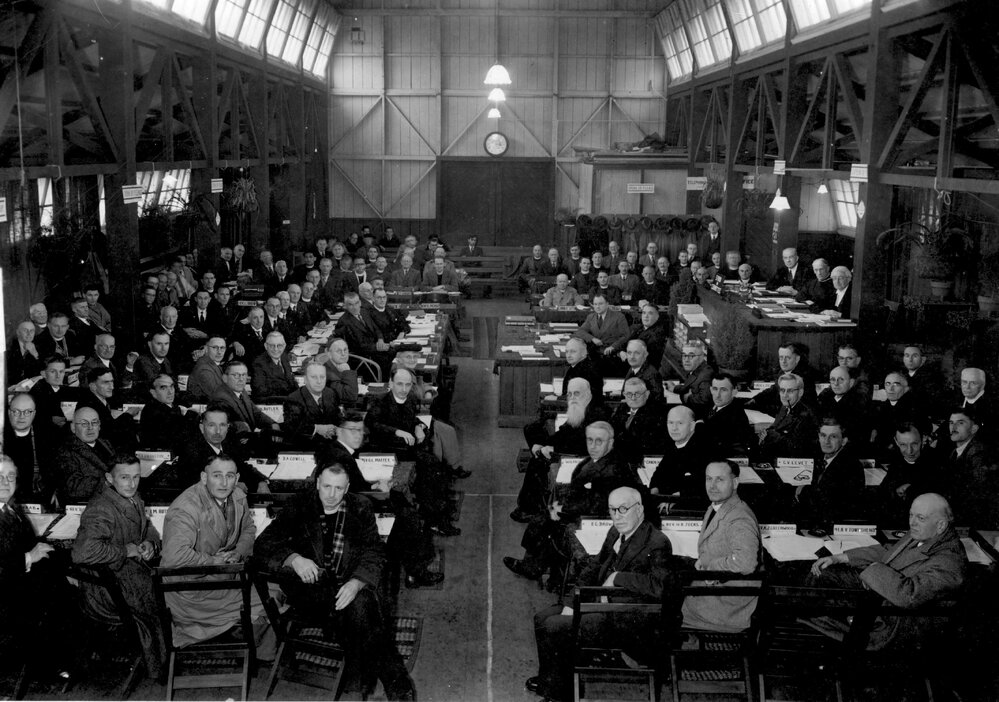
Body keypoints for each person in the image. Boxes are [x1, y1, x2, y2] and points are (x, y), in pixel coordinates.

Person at [252, 463, 416, 699]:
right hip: (310, 594)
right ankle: (396, 685)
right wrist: (294, 559)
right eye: (326, 486)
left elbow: (374, 552)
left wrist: (357, 582)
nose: (331, 494)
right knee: (366, 613)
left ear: (347, 488)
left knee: (361, 604)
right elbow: (264, 544)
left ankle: (361, 686)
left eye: (338, 489)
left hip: (346, 590)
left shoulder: (360, 507)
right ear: (317, 483)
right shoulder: (299, 505)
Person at [527, 486, 671, 702]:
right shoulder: (615, 532)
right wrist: (569, 602)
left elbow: (659, 586)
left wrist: (618, 577)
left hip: (628, 618)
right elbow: (594, 567)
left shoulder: (657, 542)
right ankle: (551, 679)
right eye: (612, 510)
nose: (617, 516)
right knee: (542, 618)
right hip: (601, 604)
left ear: (639, 509)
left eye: (623, 509)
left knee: (555, 626)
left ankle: (559, 696)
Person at [808, 493, 966, 649]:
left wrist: (875, 570)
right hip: (880, 594)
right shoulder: (926, 533)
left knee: (814, 613)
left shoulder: (950, 561)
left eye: (920, 518)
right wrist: (840, 558)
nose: (912, 523)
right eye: (911, 515)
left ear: (941, 525)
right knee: (824, 573)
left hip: (892, 620)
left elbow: (909, 595)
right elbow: (889, 550)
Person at [315, 412, 443, 588]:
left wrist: (374, 487)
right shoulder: (342, 456)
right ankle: (416, 571)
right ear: (338, 431)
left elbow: (353, 486)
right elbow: (353, 493)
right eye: (352, 430)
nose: (358, 435)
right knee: (407, 515)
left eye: (360, 430)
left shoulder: (336, 450)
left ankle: (414, 566)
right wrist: (381, 491)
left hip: (352, 502)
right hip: (351, 514)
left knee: (401, 502)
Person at [160, 455, 270, 649]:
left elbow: (248, 529)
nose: (224, 482)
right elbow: (174, 558)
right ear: (204, 477)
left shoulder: (237, 496)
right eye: (217, 475)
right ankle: (241, 648)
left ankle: (244, 643)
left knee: (272, 593)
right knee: (267, 602)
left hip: (223, 577)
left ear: (236, 479)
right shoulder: (186, 508)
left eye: (229, 476)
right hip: (192, 591)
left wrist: (238, 552)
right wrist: (212, 561)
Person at [72, 454, 166, 679]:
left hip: (127, 577)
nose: (132, 483)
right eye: (124, 477)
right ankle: (162, 663)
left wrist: (150, 543)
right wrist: (126, 550)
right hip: (109, 589)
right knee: (168, 594)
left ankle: (165, 655)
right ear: (109, 478)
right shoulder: (102, 508)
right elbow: (82, 552)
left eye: (136, 477)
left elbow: (148, 526)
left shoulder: (132, 497)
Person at [505, 422, 637, 582]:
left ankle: (535, 567)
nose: (593, 446)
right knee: (546, 516)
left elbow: (599, 504)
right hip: (586, 507)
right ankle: (535, 565)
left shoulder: (613, 469)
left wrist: (563, 507)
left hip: (599, 518)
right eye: (590, 440)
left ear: (610, 442)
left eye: (599, 441)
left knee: (547, 519)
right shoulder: (602, 458)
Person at [0, 456, 76, 682]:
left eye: (10, 476)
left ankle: (52, 666)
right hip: (4, 599)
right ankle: (49, 668)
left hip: (15, 587)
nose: (5, 482)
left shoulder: (11, 511)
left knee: (66, 592)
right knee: (61, 602)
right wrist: (28, 557)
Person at [676, 461, 760, 633]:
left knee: (663, 607)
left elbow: (745, 562)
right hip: (717, 586)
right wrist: (704, 561)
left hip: (728, 604)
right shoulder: (717, 507)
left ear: (735, 483)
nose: (712, 486)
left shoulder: (739, 518)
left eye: (720, 480)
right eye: (709, 479)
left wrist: (710, 566)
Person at [794, 417, 866, 528]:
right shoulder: (822, 456)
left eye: (833, 437)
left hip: (832, 526)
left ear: (844, 441)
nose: (826, 441)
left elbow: (827, 502)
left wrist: (803, 490)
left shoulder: (851, 466)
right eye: (823, 435)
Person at [941, 407, 999, 528]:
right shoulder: (955, 453)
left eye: (960, 423)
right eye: (951, 423)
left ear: (974, 428)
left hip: (976, 524)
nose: (953, 427)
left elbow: (978, 496)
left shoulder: (979, 454)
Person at [52, 406, 116, 505]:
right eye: (84, 423)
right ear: (73, 428)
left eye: (94, 422)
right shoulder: (66, 452)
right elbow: (74, 488)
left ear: (99, 425)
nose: (90, 427)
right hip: (89, 506)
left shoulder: (106, 443)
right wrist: (108, 481)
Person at [880, 422, 939, 527]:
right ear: (896, 442)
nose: (909, 451)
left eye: (914, 444)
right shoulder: (896, 461)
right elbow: (883, 493)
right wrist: (895, 491)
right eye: (903, 445)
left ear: (923, 439)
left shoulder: (937, 462)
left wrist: (912, 490)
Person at [649, 406, 712, 500]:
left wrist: (671, 499)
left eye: (680, 423)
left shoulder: (704, 450)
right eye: (670, 423)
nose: (674, 428)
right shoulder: (672, 446)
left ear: (692, 426)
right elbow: (657, 478)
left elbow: (700, 487)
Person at [3, 394, 55, 503]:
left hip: (40, 500)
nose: (22, 416)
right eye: (16, 411)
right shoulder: (2, 438)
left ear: (34, 414)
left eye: (27, 412)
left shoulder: (48, 438)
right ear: (9, 412)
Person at [757, 373, 820, 462]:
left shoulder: (805, 416)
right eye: (782, 390)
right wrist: (766, 433)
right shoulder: (785, 407)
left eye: (790, 391)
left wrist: (770, 435)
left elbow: (797, 448)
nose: (785, 395)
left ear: (800, 392)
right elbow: (776, 428)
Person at [211, 361, 281, 436]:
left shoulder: (240, 390)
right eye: (236, 375)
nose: (241, 379)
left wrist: (272, 424)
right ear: (225, 378)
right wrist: (241, 426)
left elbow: (256, 413)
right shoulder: (221, 399)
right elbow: (223, 426)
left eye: (244, 375)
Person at [283, 361, 342, 447]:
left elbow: (338, 417)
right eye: (314, 377)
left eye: (322, 377)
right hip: (305, 447)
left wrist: (339, 428)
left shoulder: (330, 393)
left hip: (331, 446)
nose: (319, 381)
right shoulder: (294, 398)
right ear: (305, 379)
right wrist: (317, 428)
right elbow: (292, 427)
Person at [609, 377, 666, 464]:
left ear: (647, 394)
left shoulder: (654, 414)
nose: (633, 398)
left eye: (637, 394)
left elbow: (638, 444)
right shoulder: (622, 408)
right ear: (624, 394)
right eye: (629, 394)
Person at [815, 365, 870, 446]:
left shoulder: (858, 401)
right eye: (833, 380)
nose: (836, 384)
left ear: (851, 383)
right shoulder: (825, 397)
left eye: (841, 380)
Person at [703, 373, 755, 457]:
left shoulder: (736, 416)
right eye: (715, 389)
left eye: (723, 390)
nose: (717, 395)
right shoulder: (710, 407)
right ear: (710, 389)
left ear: (734, 392)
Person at [139, 374, 193, 451]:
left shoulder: (170, 405)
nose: (170, 392)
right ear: (153, 392)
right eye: (163, 388)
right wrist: (190, 415)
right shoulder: (153, 411)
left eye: (171, 386)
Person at [607, 303, 667, 369]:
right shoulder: (641, 328)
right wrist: (620, 351)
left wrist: (622, 353)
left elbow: (641, 358)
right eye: (644, 313)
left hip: (640, 369)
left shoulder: (656, 334)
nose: (646, 316)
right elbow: (626, 342)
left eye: (650, 313)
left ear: (657, 317)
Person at [30, 355, 78, 429]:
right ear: (44, 374)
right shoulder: (38, 392)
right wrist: (50, 419)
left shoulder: (58, 387)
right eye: (53, 371)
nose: (58, 376)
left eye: (61, 371)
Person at [251, 332, 298, 398]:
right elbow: (260, 391)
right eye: (271, 346)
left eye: (279, 345)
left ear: (284, 346)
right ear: (266, 346)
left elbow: (291, 380)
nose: (276, 349)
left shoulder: (284, 356)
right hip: (272, 402)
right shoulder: (258, 364)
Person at [560, 337, 603, 404]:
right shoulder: (577, 365)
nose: (568, 355)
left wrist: (558, 398)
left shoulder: (585, 370)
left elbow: (577, 397)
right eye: (567, 351)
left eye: (573, 351)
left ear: (584, 353)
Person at [187, 336, 228, 402]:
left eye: (222, 348)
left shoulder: (214, 364)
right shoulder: (204, 368)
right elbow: (218, 395)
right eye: (215, 347)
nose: (219, 352)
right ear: (206, 349)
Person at [323, 337, 360, 404]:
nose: (343, 354)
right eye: (338, 351)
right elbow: (351, 396)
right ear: (329, 354)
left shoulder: (338, 365)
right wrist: (347, 372)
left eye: (345, 350)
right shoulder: (328, 374)